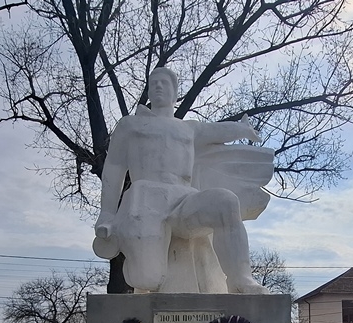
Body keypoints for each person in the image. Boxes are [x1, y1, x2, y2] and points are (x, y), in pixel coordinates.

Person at [93, 66, 269, 294]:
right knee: (148, 280)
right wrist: (107, 213)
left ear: (175, 93)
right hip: (146, 202)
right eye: (153, 82)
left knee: (225, 202)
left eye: (163, 83)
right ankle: (138, 255)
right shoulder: (131, 125)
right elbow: (114, 169)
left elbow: (217, 131)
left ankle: (240, 279)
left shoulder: (189, 129)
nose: (157, 86)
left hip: (184, 201)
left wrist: (242, 130)